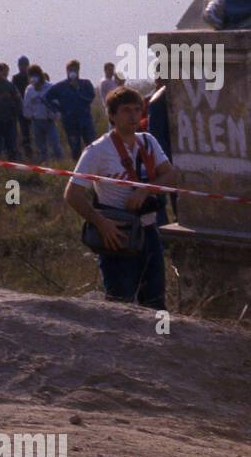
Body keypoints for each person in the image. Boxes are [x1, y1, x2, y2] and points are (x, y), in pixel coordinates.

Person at [65, 87, 179, 309]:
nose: (133, 116)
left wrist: (145, 189)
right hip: (118, 234)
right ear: (112, 115)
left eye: (138, 110)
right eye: (126, 110)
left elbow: (171, 175)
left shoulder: (148, 142)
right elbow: (72, 194)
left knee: (155, 301)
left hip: (149, 231)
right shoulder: (97, 150)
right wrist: (100, 223)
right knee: (120, 304)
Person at [45, 60, 97, 160]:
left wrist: (77, 90)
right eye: (70, 69)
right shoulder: (61, 86)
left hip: (85, 121)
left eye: (75, 69)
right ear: (67, 71)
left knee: (92, 146)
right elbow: (47, 98)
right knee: (75, 148)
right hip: (70, 122)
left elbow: (90, 98)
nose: (73, 71)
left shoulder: (86, 84)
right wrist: (58, 109)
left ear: (78, 71)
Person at [23, 65, 61, 161]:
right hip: (36, 122)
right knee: (41, 148)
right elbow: (26, 106)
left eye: (35, 75)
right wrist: (31, 116)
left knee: (55, 146)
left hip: (49, 121)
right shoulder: (29, 90)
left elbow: (57, 105)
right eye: (31, 75)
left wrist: (54, 115)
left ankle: (60, 163)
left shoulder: (50, 87)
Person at [12, 56, 33, 158]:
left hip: (33, 110)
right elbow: (14, 93)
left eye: (25, 64)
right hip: (21, 110)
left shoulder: (32, 77)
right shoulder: (15, 78)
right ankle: (28, 154)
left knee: (35, 133)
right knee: (25, 134)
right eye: (21, 65)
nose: (23, 67)